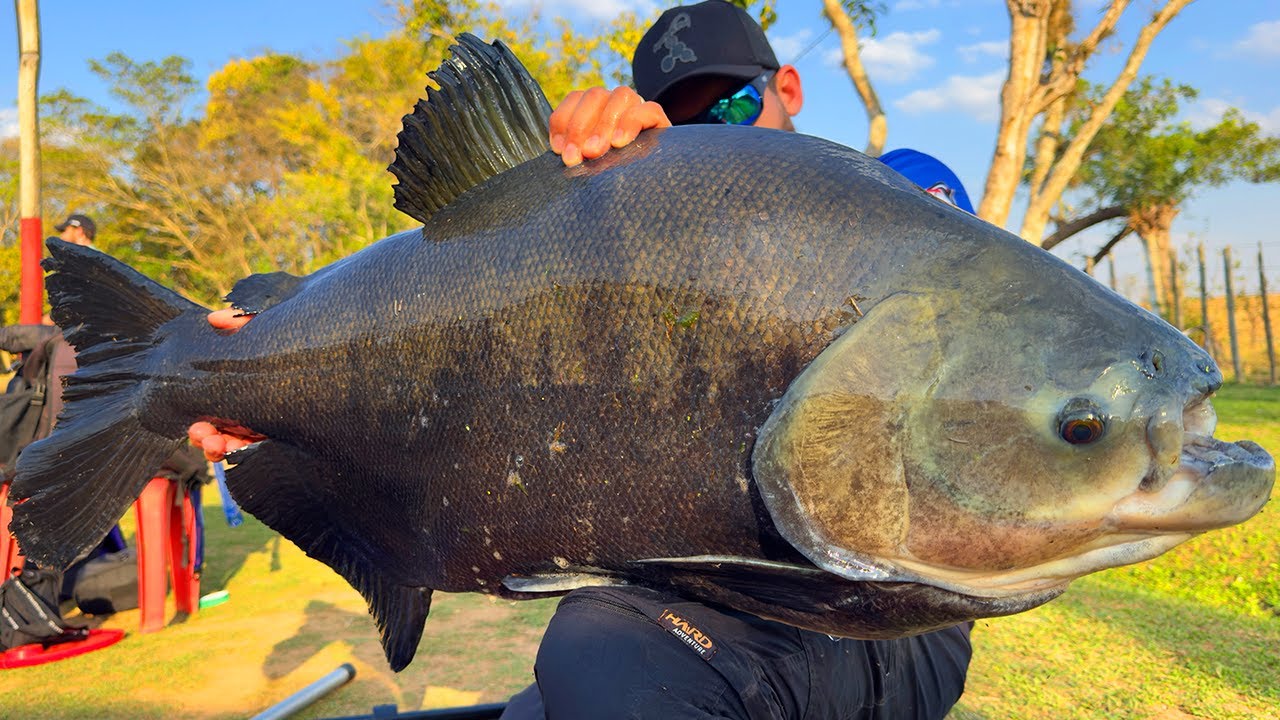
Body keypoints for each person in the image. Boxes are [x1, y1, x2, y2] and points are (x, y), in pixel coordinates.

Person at [190, 3, 975, 717]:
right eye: (682, 123)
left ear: (789, 88)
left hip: (881, 613)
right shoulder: (633, 264)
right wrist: (285, 398)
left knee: (598, 655)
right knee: (571, 680)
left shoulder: (900, 196)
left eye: (734, 106)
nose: (716, 134)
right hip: (694, 611)